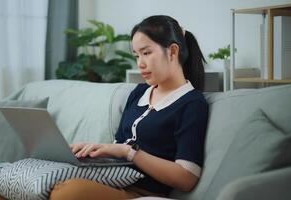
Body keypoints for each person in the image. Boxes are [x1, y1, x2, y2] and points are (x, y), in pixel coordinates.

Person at [49, 15, 208, 200]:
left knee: (67, 193)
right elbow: (117, 147)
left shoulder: (192, 104)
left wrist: (130, 152)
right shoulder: (139, 93)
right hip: (110, 179)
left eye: (146, 53)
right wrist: (95, 150)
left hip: (140, 191)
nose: (140, 64)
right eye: (136, 55)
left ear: (172, 51)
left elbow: (187, 178)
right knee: (30, 183)